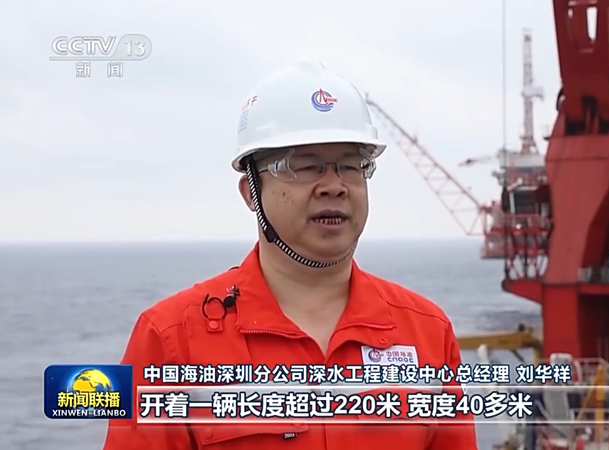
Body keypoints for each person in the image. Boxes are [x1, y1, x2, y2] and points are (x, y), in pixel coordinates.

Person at [103, 61, 478, 449]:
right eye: (304, 166)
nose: (334, 186)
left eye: (350, 166)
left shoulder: (427, 331)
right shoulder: (171, 340)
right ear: (251, 192)